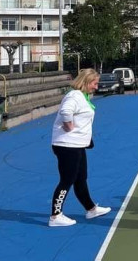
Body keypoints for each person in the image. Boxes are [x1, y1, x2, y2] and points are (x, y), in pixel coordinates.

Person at [49, 69, 112, 227]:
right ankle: (55, 216)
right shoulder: (74, 96)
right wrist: (68, 126)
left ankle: (91, 209)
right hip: (67, 146)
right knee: (67, 180)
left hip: (77, 145)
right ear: (85, 82)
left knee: (81, 179)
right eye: (94, 83)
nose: (96, 87)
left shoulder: (83, 96)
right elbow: (65, 111)